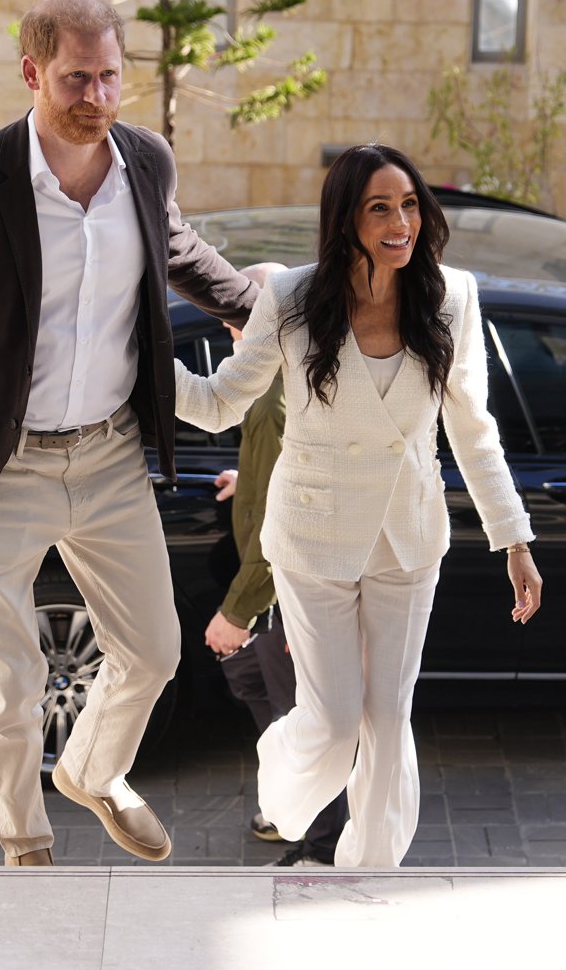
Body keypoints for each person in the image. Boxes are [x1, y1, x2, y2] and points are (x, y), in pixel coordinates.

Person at [0, 0, 258, 867]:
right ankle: (24, 839)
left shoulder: (145, 162)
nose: (96, 97)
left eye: (110, 76)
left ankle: (93, 770)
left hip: (110, 454)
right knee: (10, 683)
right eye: (76, 78)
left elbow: (178, 248)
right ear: (31, 73)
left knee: (154, 652)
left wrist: (250, 305)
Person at [174, 143, 543, 868]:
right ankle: (280, 777)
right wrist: (146, 370)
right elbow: (220, 405)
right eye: (379, 207)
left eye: (408, 204)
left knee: (386, 715)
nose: (399, 221)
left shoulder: (451, 297)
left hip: (406, 536)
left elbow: (472, 430)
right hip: (311, 538)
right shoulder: (291, 299)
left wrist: (514, 541)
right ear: (346, 218)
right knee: (336, 720)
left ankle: (371, 871)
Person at [204, 262, 348, 866]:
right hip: (274, 597)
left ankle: (321, 849)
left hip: (285, 594)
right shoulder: (270, 381)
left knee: (304, 722)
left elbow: (294, 520)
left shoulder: (291, 387)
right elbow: (287, 473)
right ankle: (287, 808)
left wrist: (238, 611)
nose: (232, 329)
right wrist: (251, 476)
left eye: (242, 312)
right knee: (259, 694)